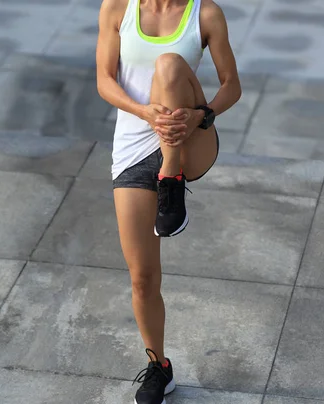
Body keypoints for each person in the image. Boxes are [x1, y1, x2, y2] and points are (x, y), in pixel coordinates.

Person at [96, 0, 241, 402]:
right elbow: (105, 80)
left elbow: (232, 85)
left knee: (171, 65)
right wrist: (145, 112)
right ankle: (159, 367)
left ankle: (171, 177)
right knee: (142, 277)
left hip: (190, 137)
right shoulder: (117, 8)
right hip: (134, 147)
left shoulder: (205, 14)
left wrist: (201, 115)